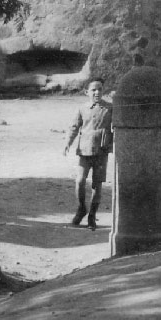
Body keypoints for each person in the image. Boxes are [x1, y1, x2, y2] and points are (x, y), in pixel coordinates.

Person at [63, 78, 114, 229]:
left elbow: (117, 126)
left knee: (97, 185)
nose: (97, 92)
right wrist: (67, 143)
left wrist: (111, 141)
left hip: (101, 152)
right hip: (84, 151)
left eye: (100, 89)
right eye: (93, 90)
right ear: (87, 92)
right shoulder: (82, 108)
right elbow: (73, 127)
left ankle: (92, 215)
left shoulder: (110, 108)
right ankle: (81, 209)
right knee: (79, 180)